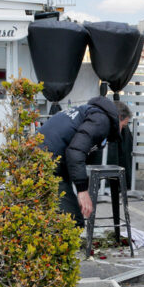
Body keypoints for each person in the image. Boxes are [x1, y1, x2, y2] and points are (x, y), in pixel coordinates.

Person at [38, 97, 131, 227]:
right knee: (73, 222)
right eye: (123, 126)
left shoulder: (89, 112)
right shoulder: (101, 120)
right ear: (119, 117)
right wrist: (82, 190)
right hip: (46, 162)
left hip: (43, 157)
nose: (121, 132)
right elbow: (75, 151)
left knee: (54, 215)